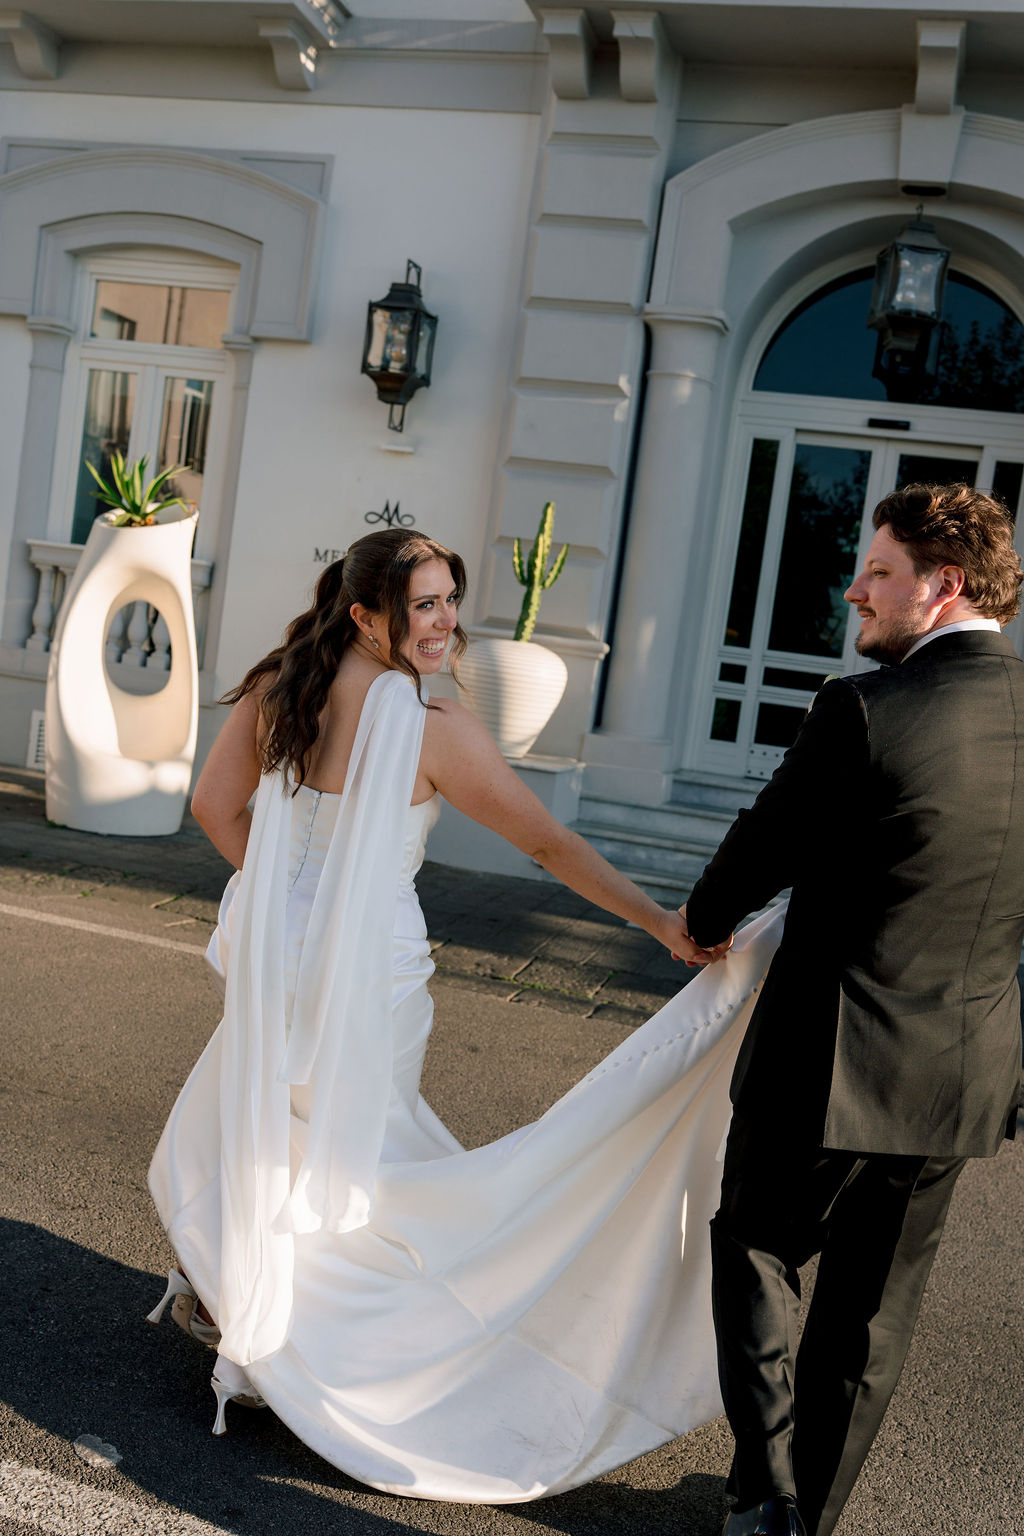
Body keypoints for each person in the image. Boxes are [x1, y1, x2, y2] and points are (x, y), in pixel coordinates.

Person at [146, 526, 768, 1501]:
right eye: (423, 604)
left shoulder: (280, 687)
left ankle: (244, 1297)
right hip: (372, 977)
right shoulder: (433, 730)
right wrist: (657, 921)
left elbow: (216, 811)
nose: (444, 624)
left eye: (448, 600)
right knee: (363, 1163)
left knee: (284, 1134)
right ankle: (354, 1353)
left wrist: (286, 907)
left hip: (274, 961)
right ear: (366, 613)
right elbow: (551, 847)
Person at [682, 482, 1024, 1536]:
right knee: (873, 1316)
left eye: (876, 573)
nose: (853, 590)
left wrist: (705, 915)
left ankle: (765, 1498)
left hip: (824, 1059)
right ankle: (806, 1521)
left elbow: (762, 846)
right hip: (962, 1067)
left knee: (751, 1245)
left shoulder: (863, 710)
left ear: (943, 585)